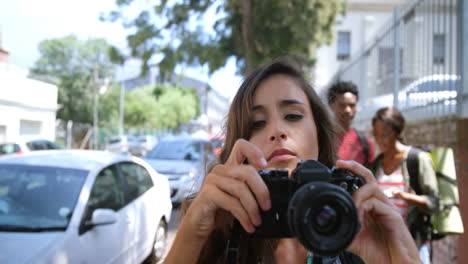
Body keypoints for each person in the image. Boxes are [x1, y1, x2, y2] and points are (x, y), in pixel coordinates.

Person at [164, 60, 421, 264]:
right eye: (257, 123)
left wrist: (396, 258)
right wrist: (193, 236)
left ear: (320, 136)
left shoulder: (357, 228)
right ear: (237, 150)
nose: (277, 130)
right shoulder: (217, 226)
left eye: (293, 115)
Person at [370, 107, 439, 264]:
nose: (380, 140)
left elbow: (434, 203)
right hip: (384, 243)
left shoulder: (418, 159)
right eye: (376, 135)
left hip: (413, 242)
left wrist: (406, 197)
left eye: (385, 134)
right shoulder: (376, 165)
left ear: (397, 132)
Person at [327, 81, 375, 168]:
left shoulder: (365, 143)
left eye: (352, 105)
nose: (348, 110)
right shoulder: (322, 139)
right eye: (342, 105)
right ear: (331, 105)